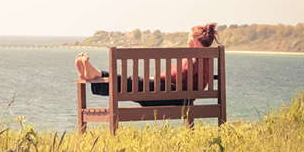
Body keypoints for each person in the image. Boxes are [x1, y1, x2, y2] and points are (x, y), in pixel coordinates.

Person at [76, 23, 220, 105]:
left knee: (133, 83)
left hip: (172, 96)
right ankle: (95, 75)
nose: (187, 39)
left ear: (195, 41)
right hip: (178, 96)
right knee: (132, 84)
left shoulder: (195, 58)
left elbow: (178, 75)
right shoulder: (205, 57)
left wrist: (158, 77)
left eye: (189, 36)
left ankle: (97, 74)